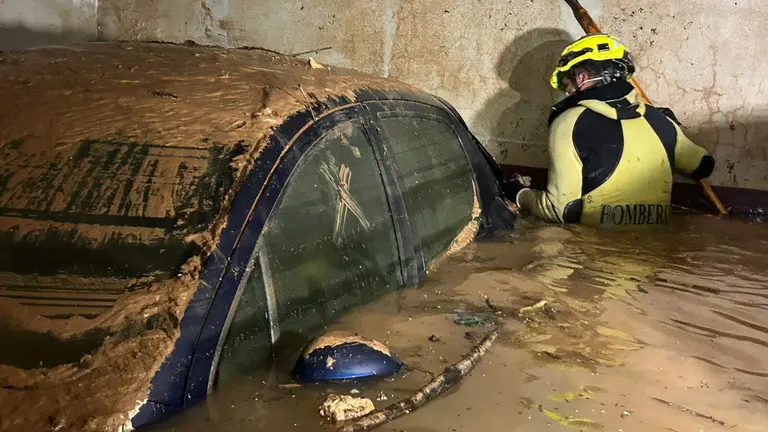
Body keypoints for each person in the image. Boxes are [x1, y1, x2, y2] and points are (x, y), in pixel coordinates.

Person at [502, 33, 715, 228]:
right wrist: (674, 127)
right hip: (657, 250)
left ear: (581, 77)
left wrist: (520, 194)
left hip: (591, 249)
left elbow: (561, 211)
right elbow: (703, 166)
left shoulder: (568, 122)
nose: (566, 93)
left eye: (566, 85)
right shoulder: (660, 120)